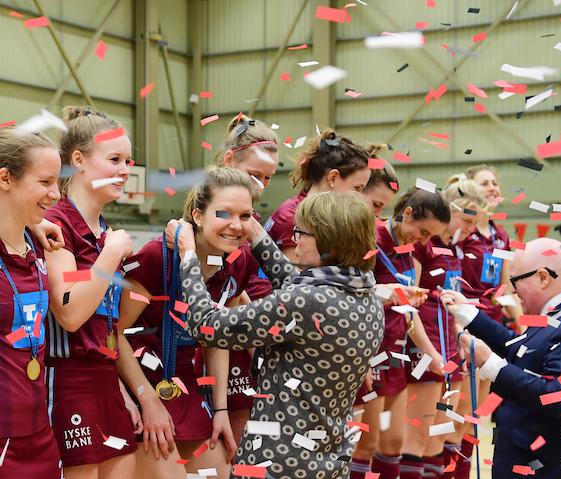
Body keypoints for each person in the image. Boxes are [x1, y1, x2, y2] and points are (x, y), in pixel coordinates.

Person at [168, 191, 385, 478]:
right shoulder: (367, 295)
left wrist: (189, 256)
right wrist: (254, 231)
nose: (295, 239)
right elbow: (294, 286)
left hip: (277, 464)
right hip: (329, 461)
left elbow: (208, 326)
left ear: (327, 240)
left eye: (302, 232)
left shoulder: (307, 301)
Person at [117, 168, 258, 478]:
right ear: (198, 214)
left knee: (222, 473)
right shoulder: (156, 258)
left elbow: (216, 336)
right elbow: (113, 332)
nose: (236, 225)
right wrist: (147, 400)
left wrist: (220, 409)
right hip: (141, 383)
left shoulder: (240, 261)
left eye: (245, 215)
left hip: (187, 387)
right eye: (224, 213)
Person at [441, 237, 561, 479]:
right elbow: (523, 349)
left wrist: (493, 366)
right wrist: (469, 314)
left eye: (516, 281)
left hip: (550, 470)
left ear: (543, 277)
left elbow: (557, 396)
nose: (512, 290)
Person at [44, 107, 138, 478]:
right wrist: (111, 253)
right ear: (78, 161)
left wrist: (126, 391)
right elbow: (69, 314)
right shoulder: (55, 222)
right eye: (114, 159)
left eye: (128, 161)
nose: (125, 170)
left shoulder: (104, 228)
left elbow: (108, 325)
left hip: (106, 382)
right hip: (68, 383)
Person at [351, 187, 451, 479]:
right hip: (369, 354)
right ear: (407, 213)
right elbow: (355, 297)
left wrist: (432, 354)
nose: (424, 240)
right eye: (422, 232)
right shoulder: (372, 239)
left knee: (394, 443)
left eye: (430, 236)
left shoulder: (409, 250)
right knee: (365, 444)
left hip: (396, 355)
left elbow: (409, 312)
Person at [401, 177, 488, 479]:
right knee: (418, 436)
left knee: (441, 433)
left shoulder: (455, 247)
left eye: (476, 220)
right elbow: (411, 300)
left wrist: (460, 336)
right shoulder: (425, 244)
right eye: (466, 218)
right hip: (424, 346)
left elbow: (448, 303)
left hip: (450, 347)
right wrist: (431, 350)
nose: (471, 227)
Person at [442, 164, 522, 478]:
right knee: (459, 413)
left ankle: (465, 466)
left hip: (493, 326)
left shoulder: (500, 234)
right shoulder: (462, 231)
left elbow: (506, 284)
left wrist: (517, 317)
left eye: (494, 182)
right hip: (464, 322)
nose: (491, 187)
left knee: (477, 414)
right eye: (483, 183)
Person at [0, 128, 62, 478]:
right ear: (6, 178)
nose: (55, 194)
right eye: (45, 182)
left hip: (40, 430)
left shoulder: (38, 245)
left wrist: (33, 225)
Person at [214, 114, 279, 442]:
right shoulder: (205, 222)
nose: (260, 186)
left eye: (268, 178)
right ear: (229, 160)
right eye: (254, 175)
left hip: (244, 349)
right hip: (205, 357)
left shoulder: (254, 225)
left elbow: (235, 292)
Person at [266, 129, 371, 263]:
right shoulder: (292, 218)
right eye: (356, 188)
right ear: (333, 178)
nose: (360, 197)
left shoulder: (316, 214)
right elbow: (291, 278)